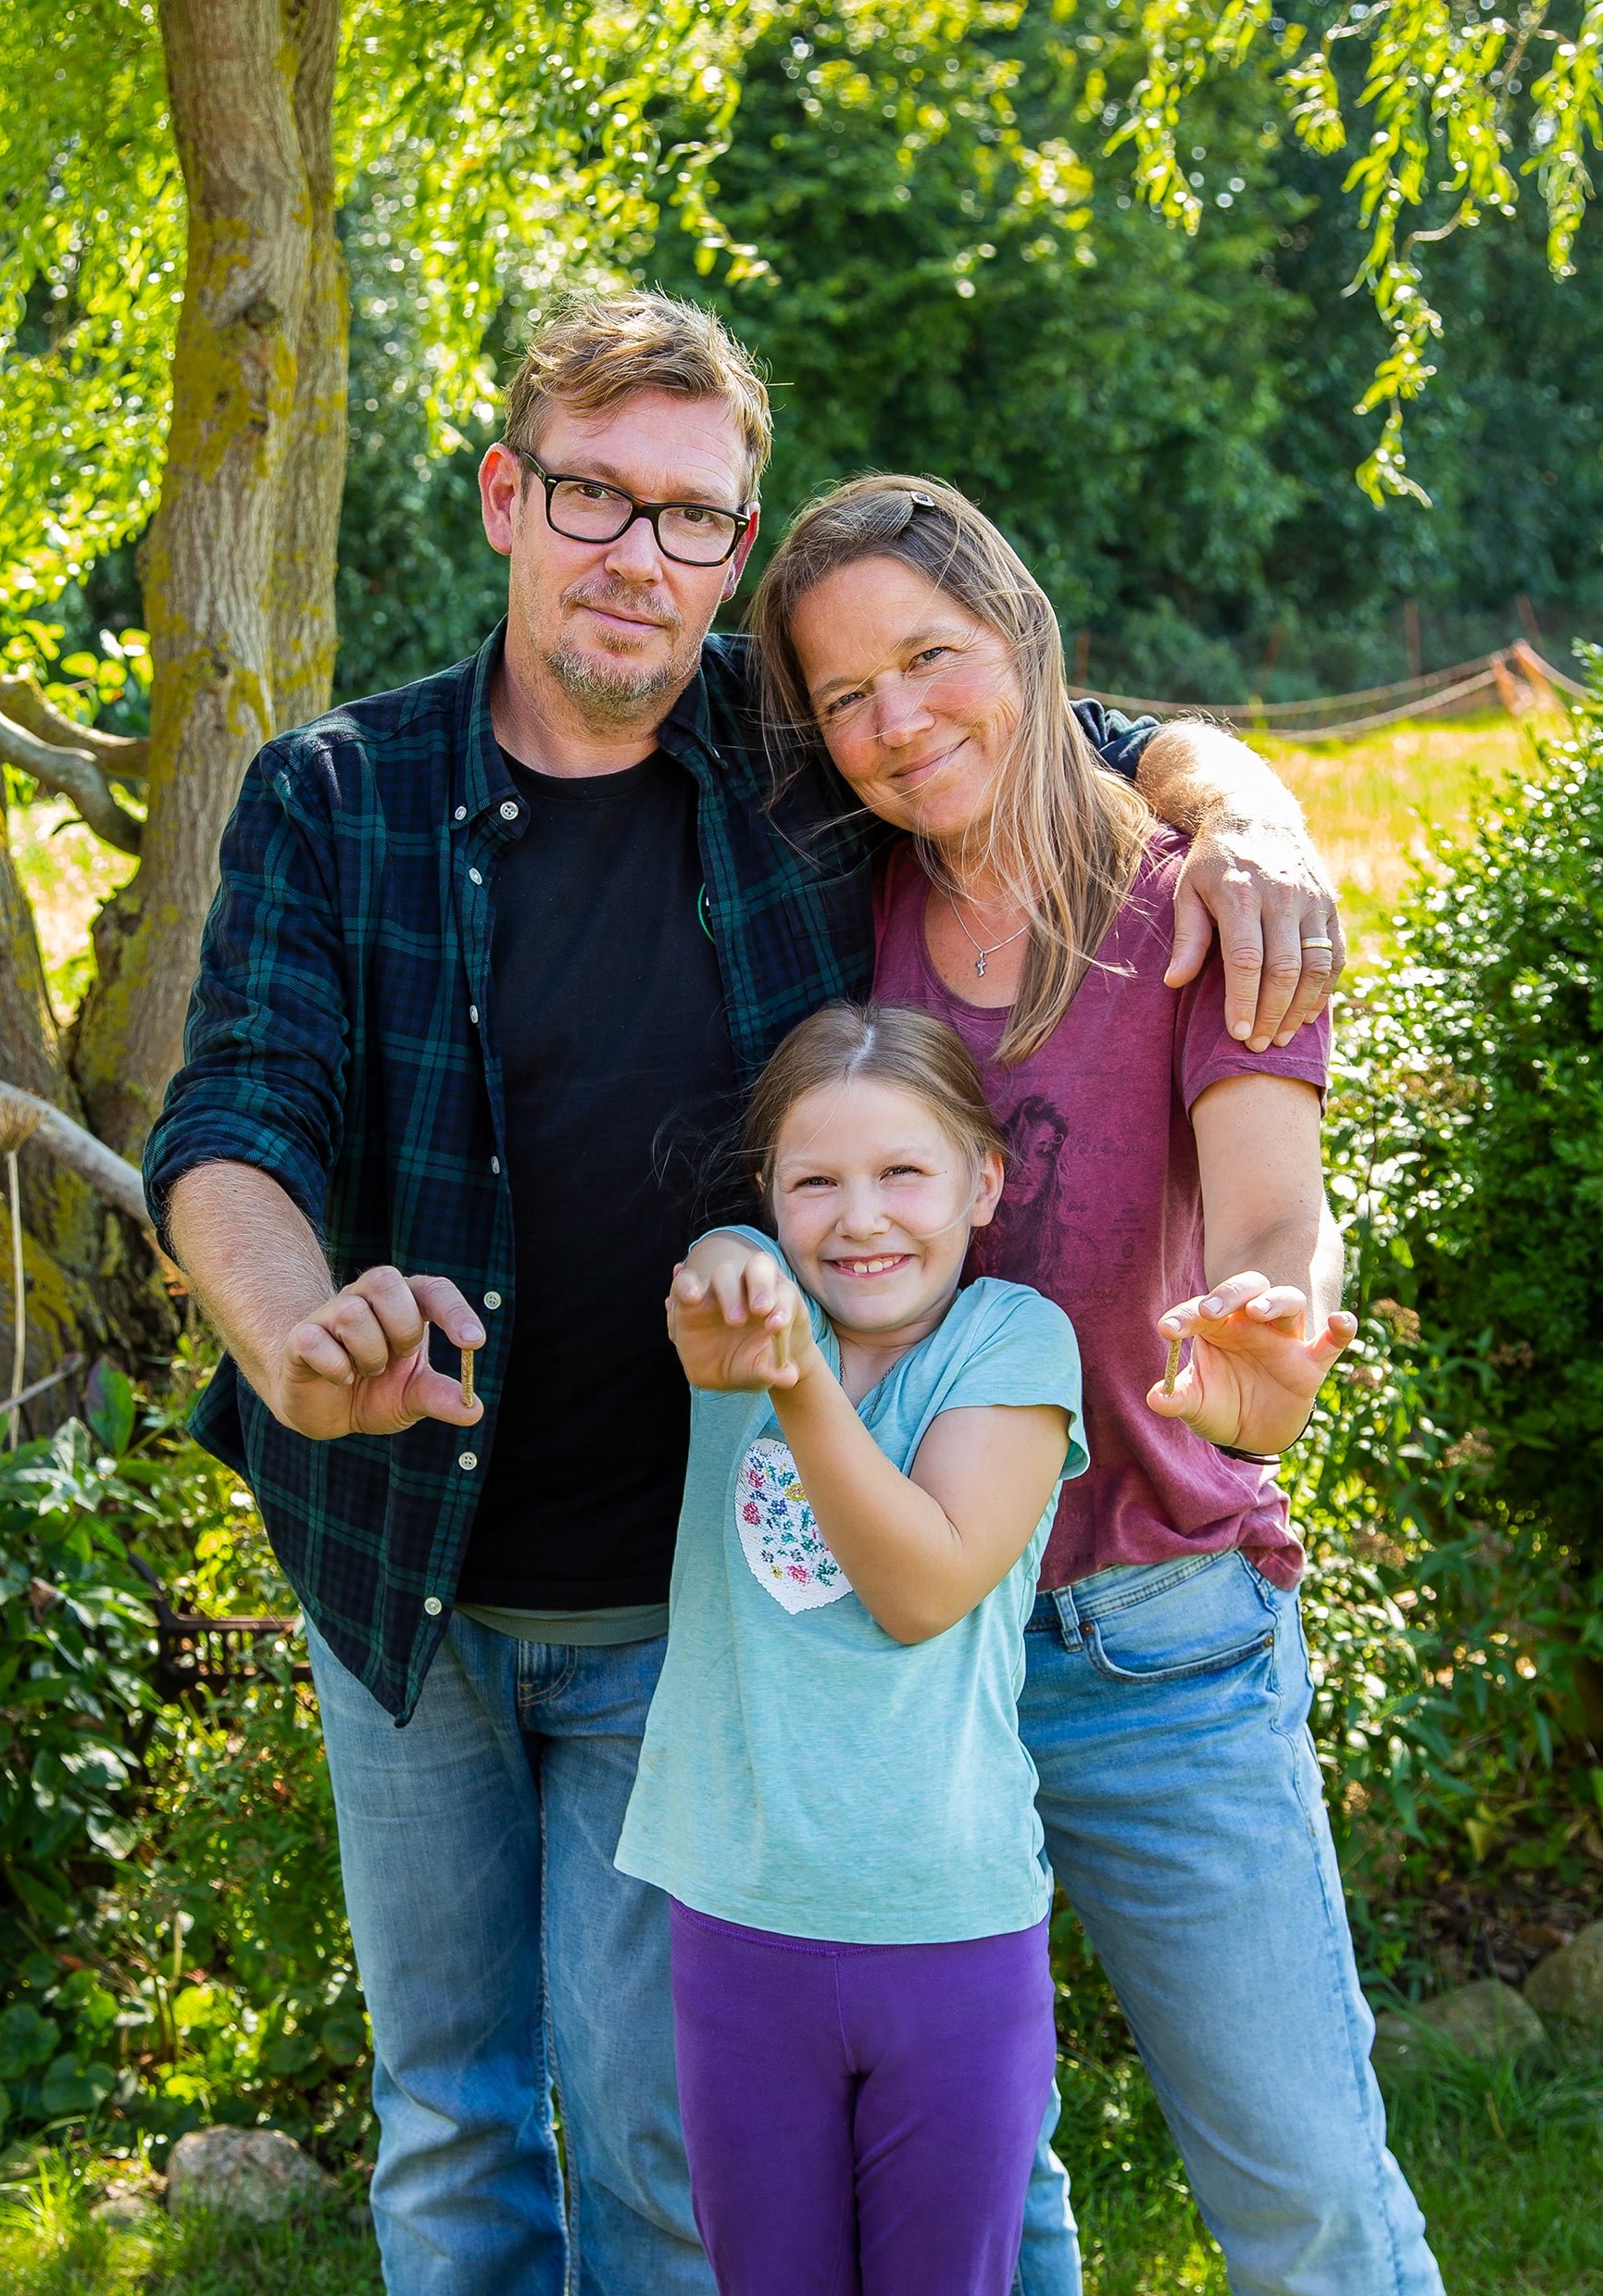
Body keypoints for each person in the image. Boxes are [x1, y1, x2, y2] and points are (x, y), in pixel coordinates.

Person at [141, 291, 1346, 2296]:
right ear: (506, 497)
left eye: (693, 516)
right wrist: (284, 1328)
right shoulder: (334, 795)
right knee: (449, 2126)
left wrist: (1243, 799)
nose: (641, 553)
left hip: (688, 1600)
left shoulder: (786, 756)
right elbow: (235, 1111)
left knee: (663, 2157)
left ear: (735, 544)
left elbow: (1038, 718)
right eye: (595, 496)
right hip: (399, 1563)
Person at [749, 473, 1446, 2296]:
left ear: (1024, 633)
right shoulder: (845, 910)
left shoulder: (1208, 904)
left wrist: (1268, 1345)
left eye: (931, 658)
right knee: (978, 2205)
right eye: (846, 696)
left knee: (1304, 2197)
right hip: (916, 1655)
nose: (899, 722)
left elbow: (1276, 1217)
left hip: (1156, 1644)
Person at [616, 1001, 1084, 2296]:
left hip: (951, 1933)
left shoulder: (1012, 1343)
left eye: (903, 1173)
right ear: (772, 1194)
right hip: (742, 1926)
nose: (861, 1218)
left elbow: (922, 1589)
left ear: (982, 1182)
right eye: (814, 1182)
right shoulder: (756, 1314)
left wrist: (797, 1382)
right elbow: (721, 1265)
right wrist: (727, 1269)